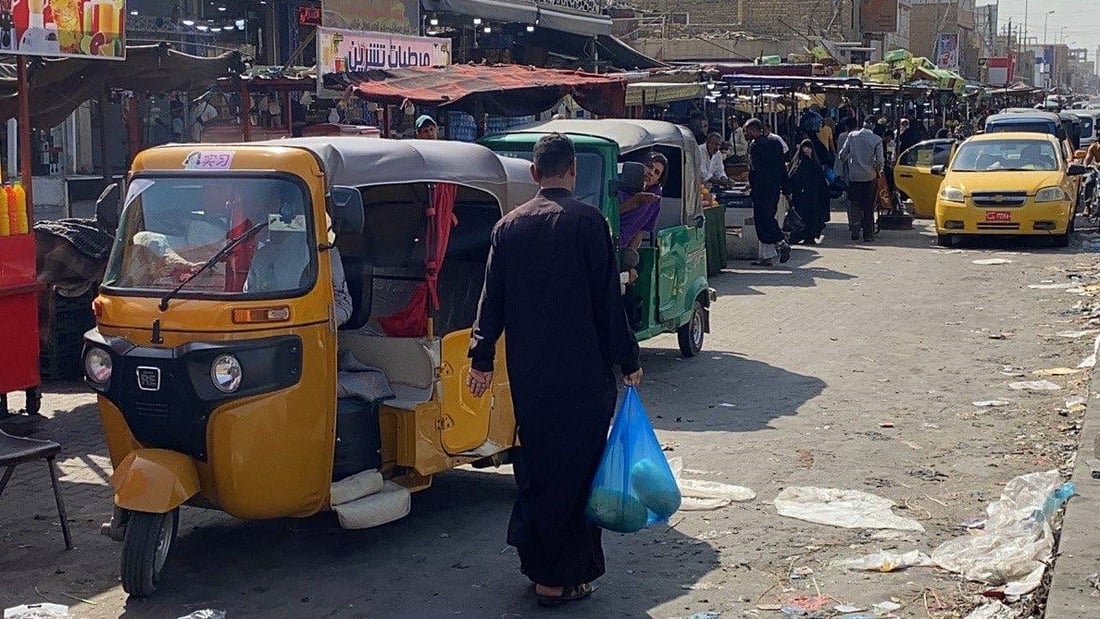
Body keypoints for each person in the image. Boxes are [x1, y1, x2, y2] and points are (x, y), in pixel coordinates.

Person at [466, 133, 642, 608]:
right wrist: (629, 360)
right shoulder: (590, 224)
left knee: (540, 470)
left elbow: (491, 303)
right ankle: (561, 578)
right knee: (580, 473)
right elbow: (609, 305)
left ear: (534, 173)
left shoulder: (508, 228)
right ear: (574, 172)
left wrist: (480, 360)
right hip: (584, 380)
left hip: (532, 380)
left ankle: (541, 569)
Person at [744, 118, 790, 266]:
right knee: (769, 217)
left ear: (753, 130)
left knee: (763, 220)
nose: (746, 133)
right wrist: (786, 187)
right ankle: (767, 257)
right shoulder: (776, 144)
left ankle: (782, 242)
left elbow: (754, 169)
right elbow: (782, 168)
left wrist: (751, 185)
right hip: (774, 188)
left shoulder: (755, 147)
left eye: (747, 131)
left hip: (761, 189)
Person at [617, 152, 667, 282]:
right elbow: (605, 215)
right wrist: (634, 202)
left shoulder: (655, 197)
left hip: (621, 250)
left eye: (657, 172)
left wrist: (629, 261)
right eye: (649, 166)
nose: (651, 173)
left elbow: (640, 230)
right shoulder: (619, 184)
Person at [837, 119, 885, 242]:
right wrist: (877, 170)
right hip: (870, 177)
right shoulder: (877, 140)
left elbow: (842, 155)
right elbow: (880, 161)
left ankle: (855, 229)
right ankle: (868, 234)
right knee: (868, 206)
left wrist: (852, 160)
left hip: (854, 176)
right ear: (873, 126)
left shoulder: (852, 136)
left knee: (855, 203)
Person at [786, 139, 829, 245]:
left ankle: (810, 236)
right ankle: (798, 236)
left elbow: (820, 180)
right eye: (804, 147)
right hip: (801, 196)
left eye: (809, 147)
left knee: (813, 216)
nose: (806, 150)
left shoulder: (815, 162)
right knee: (801, 216)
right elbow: (793, 177)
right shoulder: (798, 162)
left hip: (813, 195)